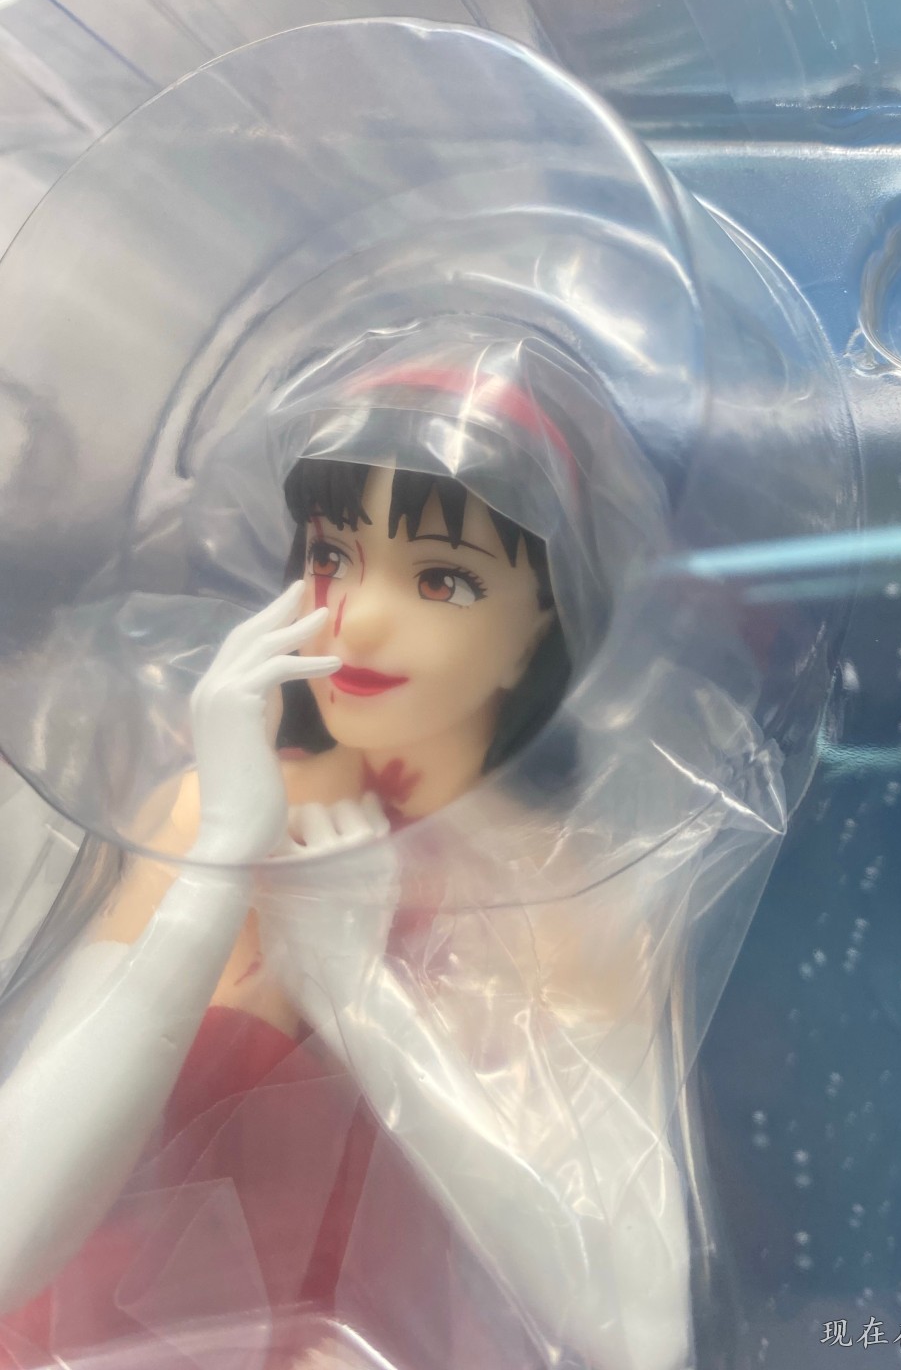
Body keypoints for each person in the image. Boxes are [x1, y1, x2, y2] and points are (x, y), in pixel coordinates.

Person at [0, 355, 696, 1370]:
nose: (357, 617)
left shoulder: (565, 898)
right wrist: (220, 863)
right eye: (333, 554)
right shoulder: (210, 813)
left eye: (442, 579)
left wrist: (356, 991)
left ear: (538, 625)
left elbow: (644, 1331)